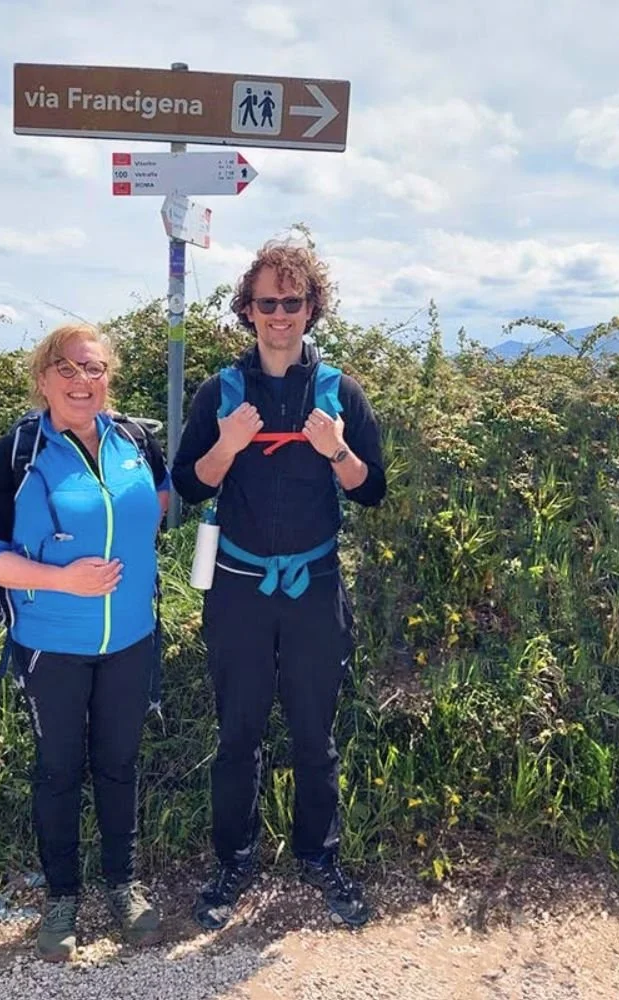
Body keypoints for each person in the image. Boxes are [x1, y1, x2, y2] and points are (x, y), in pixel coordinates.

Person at [171, 239, 386, 930]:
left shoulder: (339, 392)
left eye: (293, 302)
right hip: (236, 586)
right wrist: (227, 445)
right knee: (237, 732)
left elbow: (372, 489)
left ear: (312, 308)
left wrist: (338, 450)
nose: (280, 316)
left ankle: (318, 859)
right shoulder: (220, 392)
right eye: (267, 303)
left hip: (315, 586)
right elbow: (183, 483)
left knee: (313, 732)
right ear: (248, 310)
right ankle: (232, 862)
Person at [0, 323, 170, 962]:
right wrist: (60, 576)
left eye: (96, 369)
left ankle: (123, 887)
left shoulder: (134, 439)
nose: (84, 382)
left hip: (131, 636)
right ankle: (61, 898)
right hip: (51, 643)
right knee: (57, 771)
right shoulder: (17, 452)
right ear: (44, 377)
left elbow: (161, 499)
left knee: (119, 764)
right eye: (70, 369)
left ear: (111, 377)